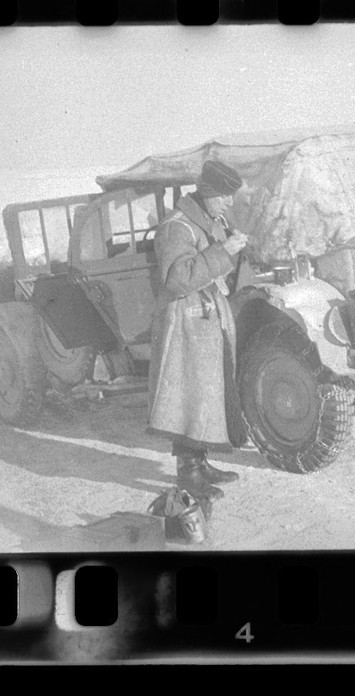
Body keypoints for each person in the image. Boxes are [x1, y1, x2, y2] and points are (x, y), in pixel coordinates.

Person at [147, 160, 250, 501]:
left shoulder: (207, 221)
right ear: (206, 193)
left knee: (205, 392)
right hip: (185, 325)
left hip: (204, 321)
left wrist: (228, 248)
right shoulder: (177, 228)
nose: (229, 203)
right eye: (224, 196)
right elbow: (177, 279)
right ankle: (188, 473)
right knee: (190, 392)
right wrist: (223, 251)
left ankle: (199, 462)